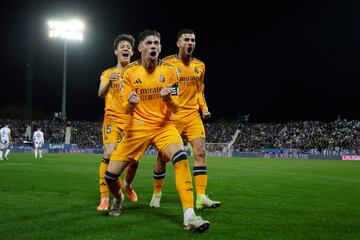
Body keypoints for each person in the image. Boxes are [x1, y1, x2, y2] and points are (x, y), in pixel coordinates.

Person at [105, 29, 210, 232]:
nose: (154, 46)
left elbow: (175, 108)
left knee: (180, 157)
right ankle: (118, 198)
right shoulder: (129, 73)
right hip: (137, 128)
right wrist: (131, 104)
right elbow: (125, 108)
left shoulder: (170, 71)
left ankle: (189, 214)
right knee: (110, 177)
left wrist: (168, 98)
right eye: (150, 43)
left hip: (164, 126)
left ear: (160, 48)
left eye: (157, 44)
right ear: (140, 48)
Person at [149, 29, 221, 210]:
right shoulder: (167, 63)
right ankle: (157, 193)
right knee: (163, 157)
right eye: (186, 40)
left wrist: (204, 108)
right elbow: (160, 87)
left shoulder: (200, 66)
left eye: (193, 40)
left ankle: (201, 197)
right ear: (178, 43)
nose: (190, 43)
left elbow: (199, 90)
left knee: (200, 152)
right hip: (173, 116)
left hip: (193, 116)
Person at [97, 34, 139, 211]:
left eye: (128, 46)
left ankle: (127, 185)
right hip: (112, 118)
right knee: (109, 151)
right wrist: (109, 83)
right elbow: (100, 93)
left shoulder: (138, 72)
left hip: (132, 120)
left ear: (132, 52)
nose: (126, 48)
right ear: (116, 51)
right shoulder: (107, 73)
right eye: (122, 46)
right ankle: (105, 197)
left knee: (133, 161)